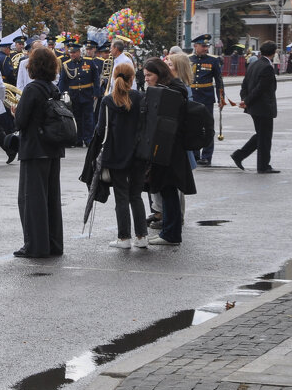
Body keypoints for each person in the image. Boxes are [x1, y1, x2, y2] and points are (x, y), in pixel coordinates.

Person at [10, 45, 65, 259]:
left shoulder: (32, 89)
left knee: (31, 199)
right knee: (51, 199)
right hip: (52, 148)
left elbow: (21, 121)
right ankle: (53, 243)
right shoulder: (52, 88)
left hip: (34, 149)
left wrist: (15, 112)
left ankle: (35, 245)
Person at [140, 58, 196, 246]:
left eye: (149, 75)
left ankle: (171, 233)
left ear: (159, 73)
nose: (146, 79)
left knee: (168, 189)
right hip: (168, 148)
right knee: (167, 190)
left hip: (168, 149)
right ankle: (169, 231)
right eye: (144, 76)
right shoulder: (172, 87)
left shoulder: (171, 91)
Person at [94, 63, 148, 250]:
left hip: (115, 152)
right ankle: (142, 236)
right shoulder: (140, 97)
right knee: (136, 196)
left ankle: (124, 238)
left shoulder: (108, 100)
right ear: (132, 78)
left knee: (121, 196)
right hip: (138, 153)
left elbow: (100, 130)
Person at [232, 41, 280, 174]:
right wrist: (246, 101)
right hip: (263, 107)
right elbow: (261, 89)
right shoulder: (267, 67)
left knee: (261, 135)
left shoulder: (253, 64)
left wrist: (244, 99)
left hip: (254, 107)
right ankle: (263, 166)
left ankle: (239, 155)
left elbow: (245, 84)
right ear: (273, 52)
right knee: (265, 137)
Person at [189, 34, 225, 166]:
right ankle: (194, 154)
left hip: (206, 98)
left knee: (207, 127)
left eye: (207, 46)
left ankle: (206, 156)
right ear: (195, 46)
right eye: (203, 46)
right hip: (193, 97)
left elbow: (219, 81)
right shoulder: (188, 59)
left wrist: (221, 98)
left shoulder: (213, 60)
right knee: (193, 127)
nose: (206, 48)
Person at [58, 39, 100, 147]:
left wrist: (96, 92)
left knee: (88, 118)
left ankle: (88, 139)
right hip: (74, 95)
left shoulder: (89, 61)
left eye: (74, 52)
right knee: (77, 118)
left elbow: (96, 78)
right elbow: (62, 81)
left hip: (87, 94)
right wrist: (62, 94)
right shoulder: (66, 65)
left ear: (79, 52)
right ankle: (78, 139)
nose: (72, 54)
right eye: (70, 53)